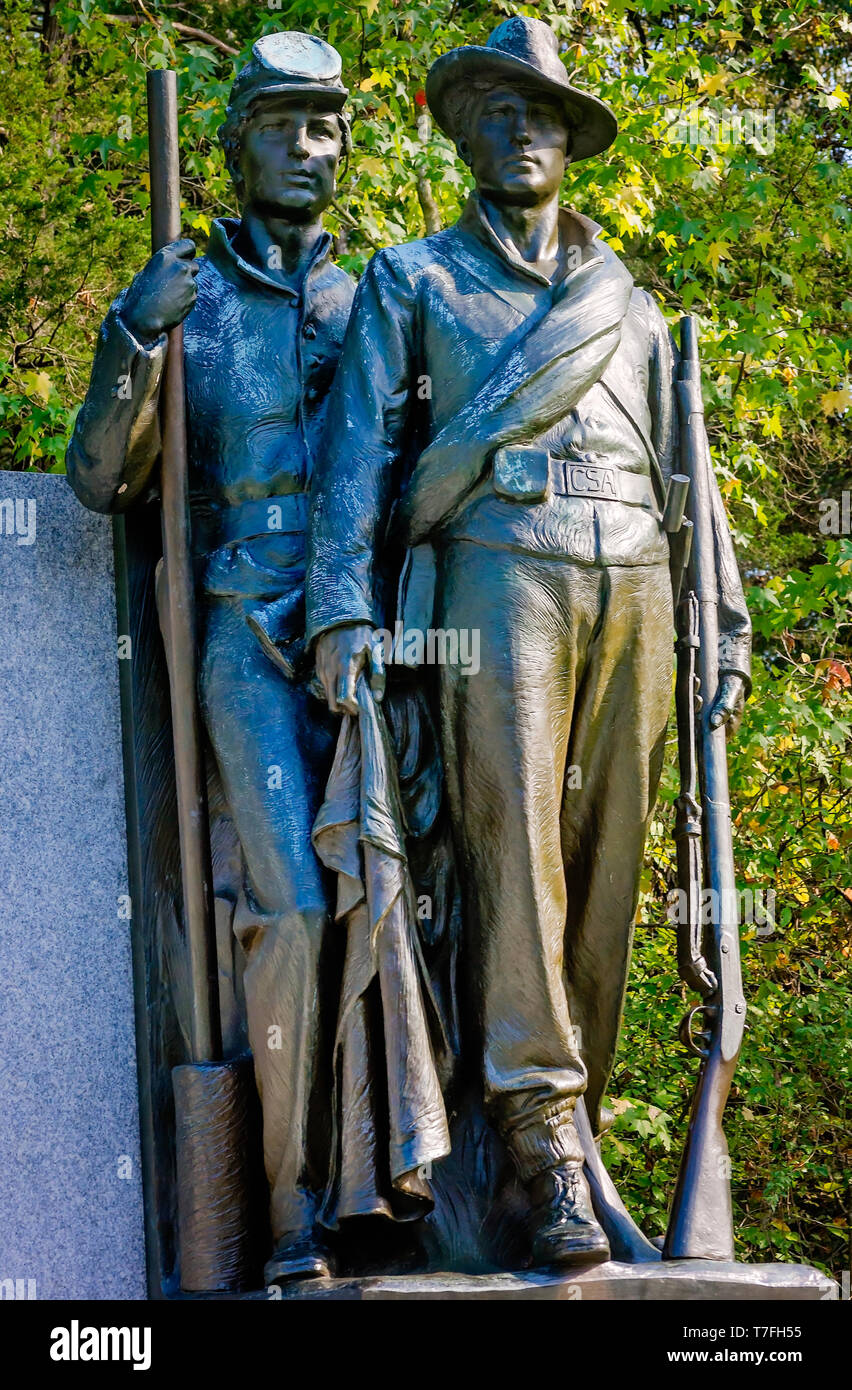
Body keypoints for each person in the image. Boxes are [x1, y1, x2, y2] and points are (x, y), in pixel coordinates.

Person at [307, 16, 751, 1267]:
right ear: (464, 133)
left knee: (606, 872)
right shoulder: (417, 278)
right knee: (516, 860)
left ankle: (566, 1141)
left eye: (544, 113)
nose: (526, 130)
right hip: (493, 576)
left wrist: (720, 613)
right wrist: (343, 601)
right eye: (500, 110)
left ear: (573, 142)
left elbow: (687, 476)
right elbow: (357, 458)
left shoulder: (635, 304)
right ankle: (539, 1134)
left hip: (641, 587)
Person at [67, 31, 355, 1283]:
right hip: (242, 624)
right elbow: (95, 480)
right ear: (233, 140)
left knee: (400, 909)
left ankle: (398, 1190)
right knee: (287, 908)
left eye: (328, 125)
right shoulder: (188, 294)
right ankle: (288, 1209)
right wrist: (138, 331)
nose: (310, 147)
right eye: (286, 124)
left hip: (371, 632)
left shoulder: (378, 297)